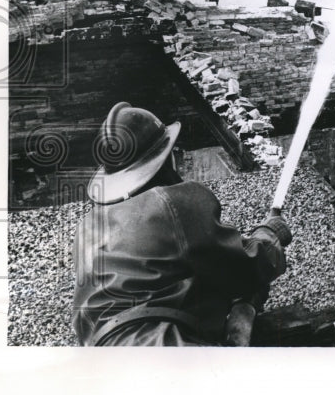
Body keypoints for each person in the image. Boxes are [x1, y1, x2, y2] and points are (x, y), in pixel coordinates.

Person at [73, 102, 292, 346]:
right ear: (166, 157)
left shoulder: (87, 226)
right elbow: (247, 267)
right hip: (158, 347)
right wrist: (271, 233)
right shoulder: (173, 202)